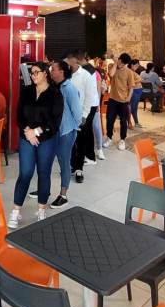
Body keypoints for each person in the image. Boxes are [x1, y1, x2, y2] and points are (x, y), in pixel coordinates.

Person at [9, 61, 63, 228]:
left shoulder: (55, 94)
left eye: (36, 72)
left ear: (45, 73)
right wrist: (27, 131)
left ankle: (41, 208)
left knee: (43, 172)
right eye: (31, 73)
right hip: (27, 137)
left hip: (46, 139)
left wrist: (36, 132)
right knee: (25, 173)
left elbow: (54, 122)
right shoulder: (26, 91)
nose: (33, 76)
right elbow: (19, 115)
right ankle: (16, 211)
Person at [49, 60, 82, 208]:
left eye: (53, 69)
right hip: (55, 130)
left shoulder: (69, 88)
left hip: (66, 131)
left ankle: (63, 194)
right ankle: (45, 189)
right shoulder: (55, 86)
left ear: (61, 72)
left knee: (64, 162)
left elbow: (77, 112)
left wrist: (73, 128)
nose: (51, 72)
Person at [65, 50, 99, 181]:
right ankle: (72, 165)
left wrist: (84, 115)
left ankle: (79, 169)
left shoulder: (86, 75)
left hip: (81, 114)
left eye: (68, 61)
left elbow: (90, 97)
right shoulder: (66, 75)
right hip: (67, 114)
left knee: (80, 140)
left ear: (75, 60)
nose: (67, 63)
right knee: (70, 141)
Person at [104, 52, 138, 151]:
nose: (121, 65)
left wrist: (128, 98)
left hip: (123, 101)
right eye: (121, 62)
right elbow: (111, 74)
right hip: (112, 99)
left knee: (124, 121)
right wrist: (115, 63)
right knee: (109, 119)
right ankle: (109, 137)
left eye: (124, 64)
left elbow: (131, 87)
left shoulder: (129, 72)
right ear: (119, 60)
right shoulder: (113, 67)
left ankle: (122, 139)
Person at [128, 60, 144, 127]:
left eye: (138, 66)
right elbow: (130, 82)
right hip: (135, 91)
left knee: (135, 108)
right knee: (132, 107)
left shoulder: (133, 72)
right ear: (132, 65)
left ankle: (136, 122)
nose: (137, 67)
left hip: (138, 91)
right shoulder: (130, 72)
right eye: (136, 65)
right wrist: (140, 80)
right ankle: (129, 122)